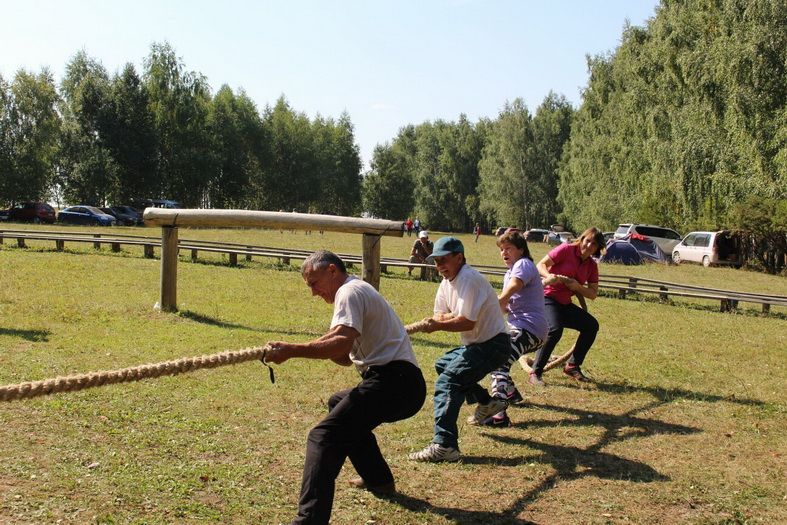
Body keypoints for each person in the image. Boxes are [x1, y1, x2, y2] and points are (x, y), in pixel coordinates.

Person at [264, 250, 426, 525]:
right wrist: (322, 342)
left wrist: (292, 350)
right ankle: (379, 479)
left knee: (323, 436)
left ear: (331, 271)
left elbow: (340, 344)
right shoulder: (354, 291)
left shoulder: (349, 292)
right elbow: (341, 355)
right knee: (338, 403)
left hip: (396, 382)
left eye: (314, 283)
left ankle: (309, 521)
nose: (314, 293)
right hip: (400, 384)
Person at [408, 237, 511, 462]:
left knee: (448, 381)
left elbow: (466, 323)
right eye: (436, 261)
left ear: (459, 257)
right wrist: (438, 320)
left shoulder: (469, 279)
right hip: (478, 345)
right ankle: (487, 402)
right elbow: (439, 314)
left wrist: (437, 325)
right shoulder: (447, 283)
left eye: (444, 260)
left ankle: (444, 446)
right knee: (443, 364)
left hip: (494, 345)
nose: (440, 266)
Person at [472, 229, 548, 427]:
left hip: (529, 328)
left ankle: (498, 415)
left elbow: (513, 287)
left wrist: (499, 299)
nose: (504, 253)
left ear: (521, 250)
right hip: (521, 328)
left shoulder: (523, 264)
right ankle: (511, 392)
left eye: (509, 249)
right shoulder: (510, 272)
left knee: (499, 362)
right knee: (495, 354)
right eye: (501, 249)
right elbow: (504, 307)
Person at [529, 227, 605, 386]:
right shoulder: (566, 249)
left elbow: (592, 294)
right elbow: (541, 264)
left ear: (598, 248)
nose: (589, 245)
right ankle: (535, 372)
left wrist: (577, 287)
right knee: (555, 330)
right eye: (588, 240)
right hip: (547, 297)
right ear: (582, 239)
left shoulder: (591, 266)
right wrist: (549, 276)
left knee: (591, 326)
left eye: (594, 244)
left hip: (565, 303)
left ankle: (572, 365)